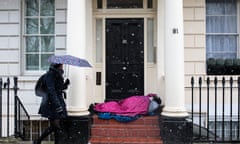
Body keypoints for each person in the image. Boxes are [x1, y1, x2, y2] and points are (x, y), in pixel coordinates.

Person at [33, 63, 70, 144]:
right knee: (56, 125)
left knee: (56, 126)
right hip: (51, 104)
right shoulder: (50, 75)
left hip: (56, 102)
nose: (62, 66)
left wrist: (65, 84)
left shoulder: (58, 74)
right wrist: (58, 106)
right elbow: (51, 91)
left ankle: (38, 141)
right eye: (61, 65)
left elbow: (58, 88)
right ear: (58, 65)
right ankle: (38, 140)